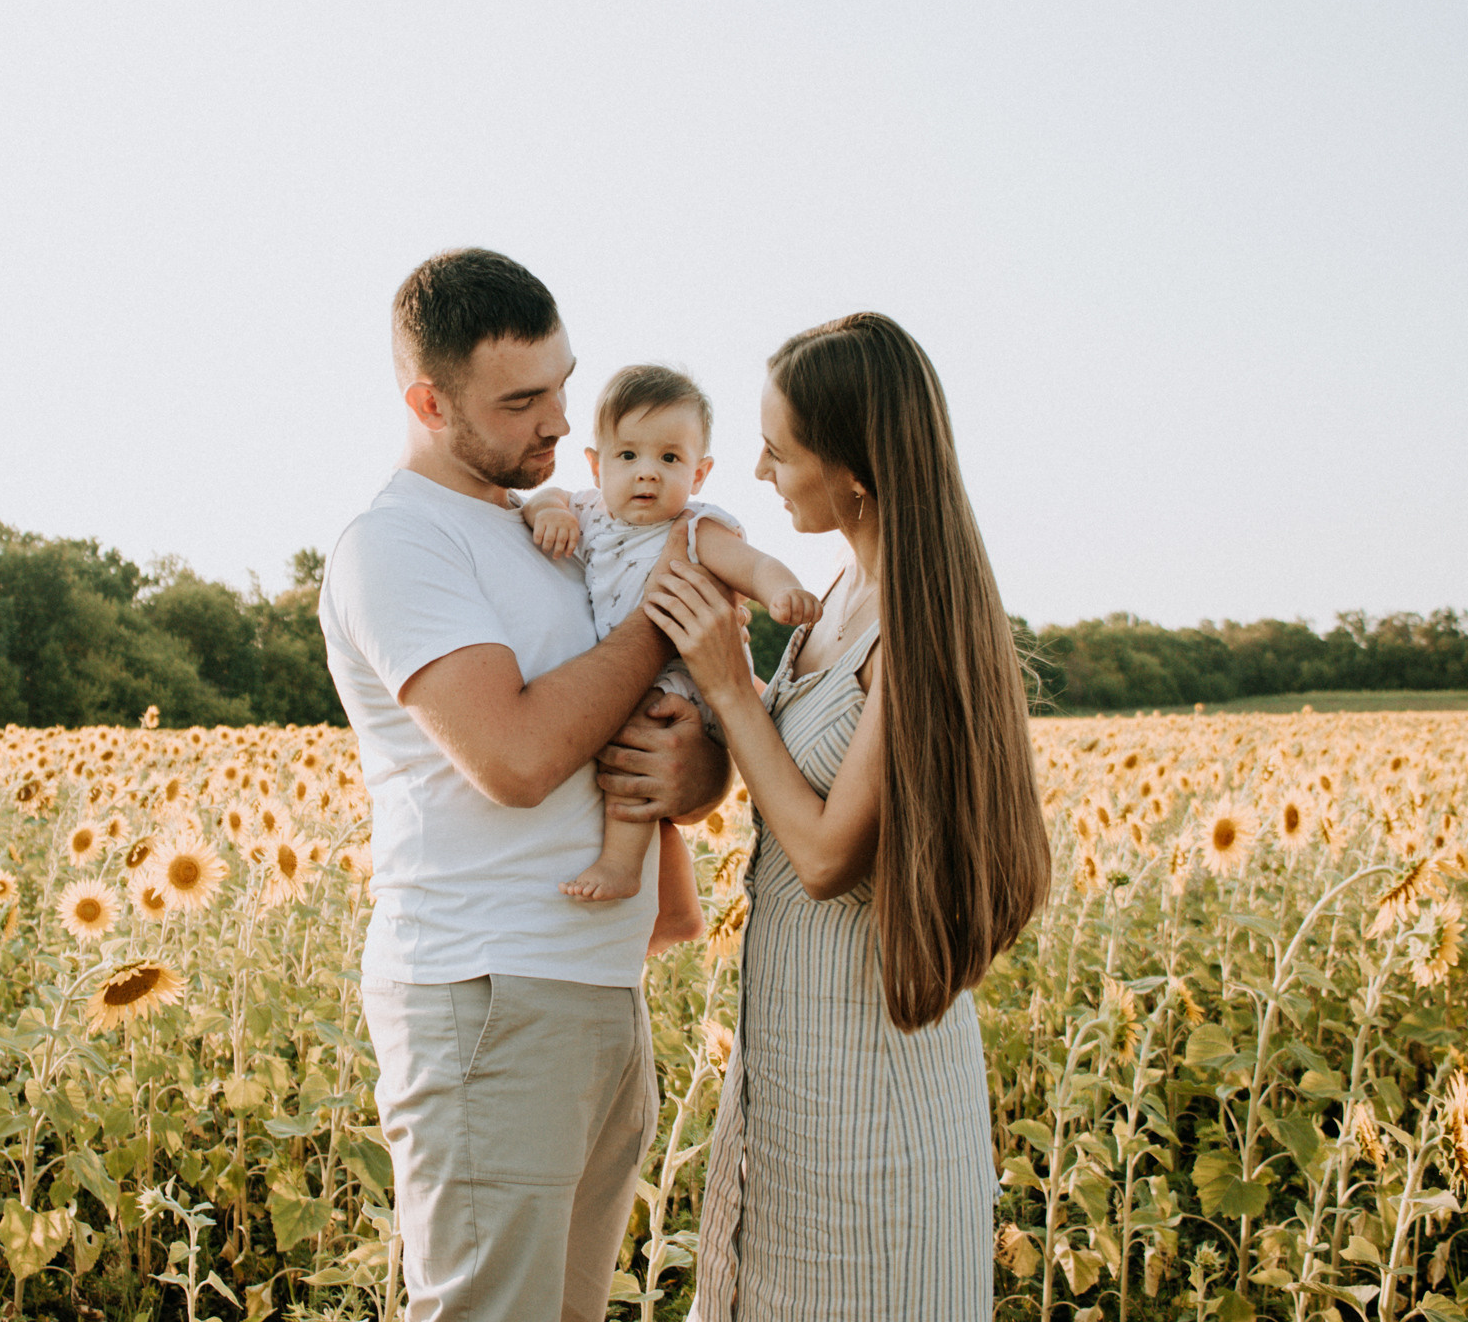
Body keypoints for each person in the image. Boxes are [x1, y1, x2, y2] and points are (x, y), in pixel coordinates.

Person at [318, 249, 733, 1322]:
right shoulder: (399, 544)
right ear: (426, 401)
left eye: (561, 384)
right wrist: (668, 606)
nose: (559, 426)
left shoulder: (552, 526)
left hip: (595, 985)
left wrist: (699, 767)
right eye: (520, 401)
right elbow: (514, 757)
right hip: (487, 991)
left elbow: (641, 721)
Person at [639, 313, 1052, 1320]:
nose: (761, 469)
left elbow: (825, 854)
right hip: (792, 1078)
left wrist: (731, 689)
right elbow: (794, 792)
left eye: (782, 450)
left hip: (875, 1101)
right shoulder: (837, 588)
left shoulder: (915, 619)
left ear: (855, 471)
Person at [518, 363, 820, 903]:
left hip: (684, 677)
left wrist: (782, 592)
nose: (647, 473)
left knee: (638, 736)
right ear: (596, 464)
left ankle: (622, 864)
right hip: (633, 669)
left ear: (699, 475)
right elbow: (546, 498)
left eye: (670, 458)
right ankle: (672, 900)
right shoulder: (588, 513)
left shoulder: (695, 529)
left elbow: (754, 566)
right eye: (628, 455)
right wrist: (548, 512)